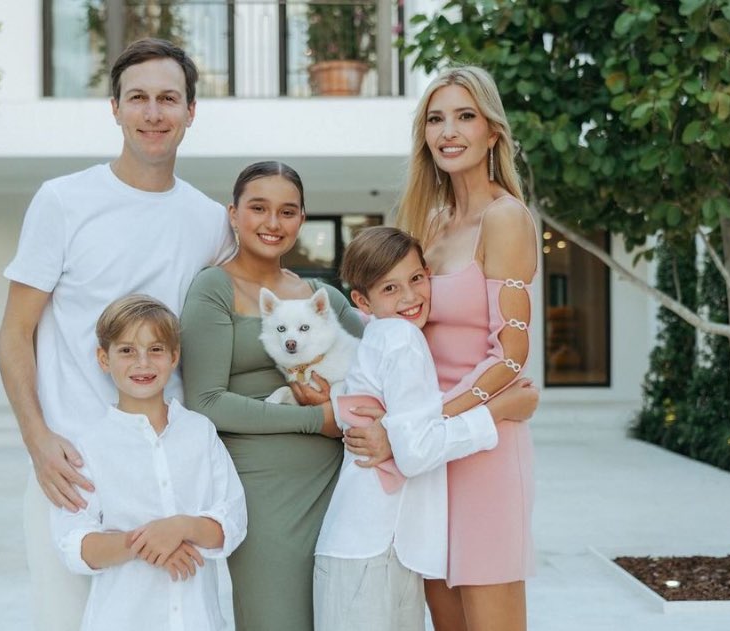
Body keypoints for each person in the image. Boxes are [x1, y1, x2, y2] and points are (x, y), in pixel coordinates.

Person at [0, 38, 235, 631]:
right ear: (115, 108)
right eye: (139, 98)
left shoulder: (208, 220)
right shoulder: (63, 202)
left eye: (168, 99)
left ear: (190, 111)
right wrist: (37, 439)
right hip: (73, 470)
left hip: (168, 472)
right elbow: (14, 332)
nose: (154, 113)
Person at [313, 227, 538, 631]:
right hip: (374, 550)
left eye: (417, 279)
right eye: (390, 289)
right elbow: (415, 451)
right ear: (362, 301)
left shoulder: (382, 336)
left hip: (370, 545)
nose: (410, 297)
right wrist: (498, 410)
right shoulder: (401, 338)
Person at [179, 161, 363, 631]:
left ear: (302, 219)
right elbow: (206, 401)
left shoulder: (321, 297)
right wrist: (317, 418)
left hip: (340, 489)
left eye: (287, 211)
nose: (272, 223)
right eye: (258, 208)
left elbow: (379, 367)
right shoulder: (213, 289)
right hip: (260, 494)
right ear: (234, 214)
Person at [389, 65, 540, 631]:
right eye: (435, 118)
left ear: (492, 132)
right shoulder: (428, 224)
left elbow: (510, 355)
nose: (448, 131)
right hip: (431, 457)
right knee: (444, 618)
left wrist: (433, 421)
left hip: (484, 450)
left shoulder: (506, 219)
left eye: (464, 116)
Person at [50, 294, 246, 631]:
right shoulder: (88, 448)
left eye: (155, 349)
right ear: (103, 358)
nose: (143, 362)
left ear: (174, 357)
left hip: (198, 621)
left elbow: (233, 522)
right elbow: (77, 546)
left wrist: (181, 527)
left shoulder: (201, 433)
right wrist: (147, 544)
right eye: (127, 350)